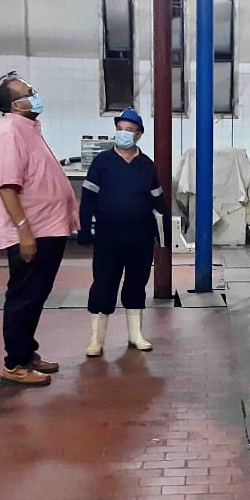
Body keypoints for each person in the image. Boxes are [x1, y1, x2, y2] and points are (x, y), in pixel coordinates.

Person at [0, 72, 79, 385]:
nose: (35, 95)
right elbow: (7, 187)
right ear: (16, 105)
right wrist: (24, 232)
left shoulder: (28, 129)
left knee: (36, 294)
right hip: (33, 231)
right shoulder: (9, 132)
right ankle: (15, 364)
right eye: (29, 92)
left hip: (47, 228)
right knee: (24, 295)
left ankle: (26, 352)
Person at [78, 108, 167, 357]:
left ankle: (136, 335)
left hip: (140, 236)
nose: (123, 134)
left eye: (129, 130)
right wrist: (84, 228)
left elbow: (158, 201)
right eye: (120, 129)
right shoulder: (102, 162)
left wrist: (164, 233)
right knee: (103, 284)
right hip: (108, 236)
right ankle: (97, 340)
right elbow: (88, 198)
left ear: (138, 135)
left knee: (137, 283)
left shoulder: (146, 165)